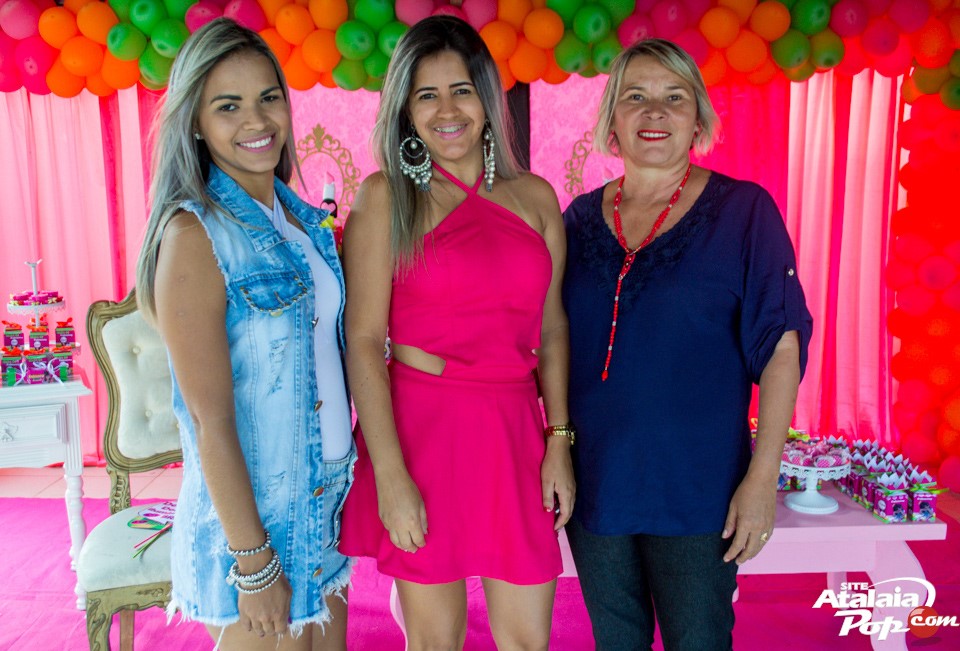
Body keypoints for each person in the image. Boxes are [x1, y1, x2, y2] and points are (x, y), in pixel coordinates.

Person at [561, 39, 813, 651]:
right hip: (598, 484)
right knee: (615, 643)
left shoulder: (744, 212)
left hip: (699, 490)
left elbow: (780, 347)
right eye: (636, 97)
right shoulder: (577, 220)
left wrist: (763, 478)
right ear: (612, 120)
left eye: (674, 98)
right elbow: (550, 342)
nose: (655, 112)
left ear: (698, 118)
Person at [337, 15, 575, 651]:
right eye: (427, 94)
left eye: (462, 90)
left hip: (514, 429)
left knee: (527, 640)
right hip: (424, 432)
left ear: (487, 97)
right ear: (405, 109)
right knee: (434, 641)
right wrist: (391, 475)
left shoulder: (537, 198)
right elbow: (364, 342)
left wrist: (559, 441)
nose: (447, 111)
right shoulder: (384, 198)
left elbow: (553, 327)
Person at [135, 18, 354, 650]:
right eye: (227, 106)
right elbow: (210, 422)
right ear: (195, 122)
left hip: (325, 500)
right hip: (256, 524)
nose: (256, 120)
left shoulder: (302, 222)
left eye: (268, 97)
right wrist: (254, 562)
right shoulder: (194, 235)